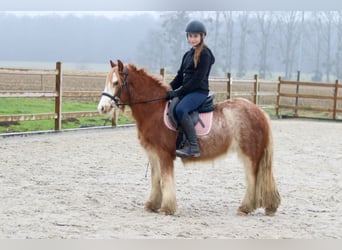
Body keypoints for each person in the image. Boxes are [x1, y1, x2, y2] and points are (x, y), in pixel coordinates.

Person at [166, 20, 215, 158]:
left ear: (202, 36)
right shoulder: (187, 55)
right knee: (171, 105)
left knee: (181, 109)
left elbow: (196, 81)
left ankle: (194, 147)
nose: (192, 39)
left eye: (195, 36)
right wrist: (167, 88)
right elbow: (180, 77)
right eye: (190, 36)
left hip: (199, 91)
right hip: (188, 91)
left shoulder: (205, 54)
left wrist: (178, 92)